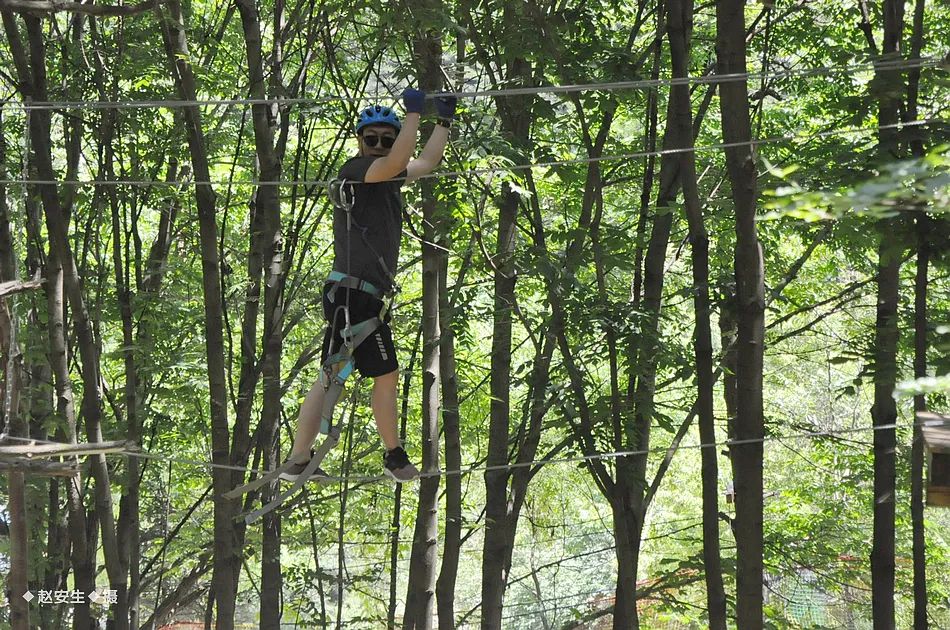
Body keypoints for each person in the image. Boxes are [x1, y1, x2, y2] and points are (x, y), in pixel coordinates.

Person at [282, 87, 457, 483]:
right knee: (374, 374)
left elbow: (425, 162)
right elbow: (398, 160)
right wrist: (412, 115)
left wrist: (442, 122)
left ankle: (299, 459)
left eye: (386, 139)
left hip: (359, 296)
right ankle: (391, 455)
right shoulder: (356, 172)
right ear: (360, 141)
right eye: (371, 138)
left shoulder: (388, 178)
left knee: (339, 375)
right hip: (353, 294)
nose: (379, 145)